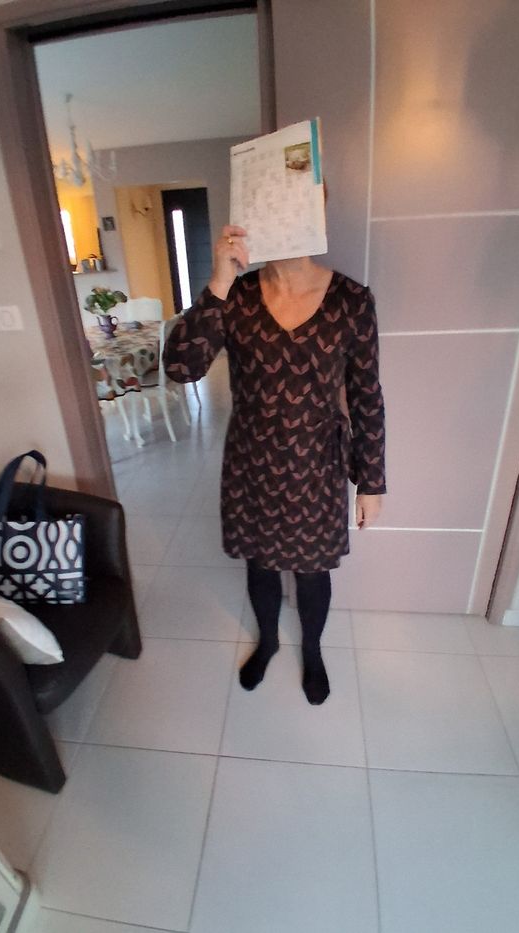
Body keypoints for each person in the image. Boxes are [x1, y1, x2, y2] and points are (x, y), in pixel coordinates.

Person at [163, 225, 386, 705]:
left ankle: (313, 650)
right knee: (261, 565)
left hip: (317, 465)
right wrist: (218, 282)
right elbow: (181, 368)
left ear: (317, 210)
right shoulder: (236, 296)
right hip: (253, 463)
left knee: (312, 572)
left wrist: (371, 481)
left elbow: (366, 395)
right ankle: (267, 641)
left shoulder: (351, 301)